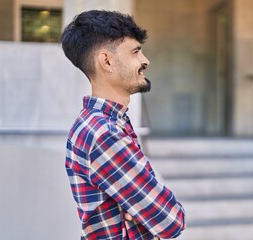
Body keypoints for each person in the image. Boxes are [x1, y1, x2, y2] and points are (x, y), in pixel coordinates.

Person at [60, 10, 186, 240]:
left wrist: (140, 209)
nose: (145, 60)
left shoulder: (108, 122)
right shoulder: (103, 133)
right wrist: (147, 212)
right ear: (107, 61)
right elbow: (170, 221)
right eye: (136, 52)